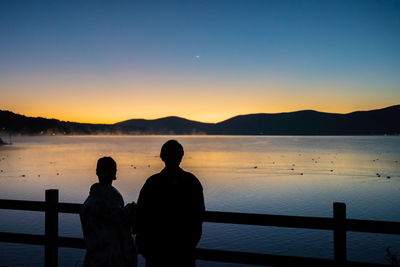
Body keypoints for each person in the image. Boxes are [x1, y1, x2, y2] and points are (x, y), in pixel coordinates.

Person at [136, 140, 205, 267]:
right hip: (184, 251)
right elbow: (199, 215)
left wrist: (145, 246)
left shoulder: (152, 182)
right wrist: (190, 244)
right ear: (181, 157)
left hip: (156, 251)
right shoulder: (192, 182)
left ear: (162, 157)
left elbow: (141, 216)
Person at [80, 156, 137, 267]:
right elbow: (117, 220)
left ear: (97, 172)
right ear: (113, 174)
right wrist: (129, 210)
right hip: (110, 259)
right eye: (113, 170)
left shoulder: (89, 202)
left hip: (93, 257)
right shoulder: (112, 197)